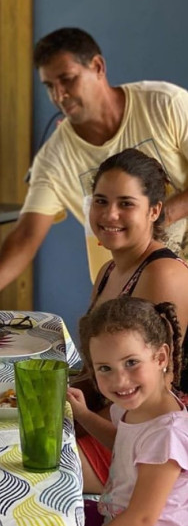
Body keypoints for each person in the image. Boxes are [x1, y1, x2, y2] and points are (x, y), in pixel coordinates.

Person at [0, 27, 188, 310]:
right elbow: (27, 234)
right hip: (128, 299)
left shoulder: (166, 104)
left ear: (98, 67)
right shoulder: (53, 158)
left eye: (67, 80)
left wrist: (162, 218)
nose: (59, 95)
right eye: (50, 86)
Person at [74, 148, 188, 495]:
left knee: (36, 458)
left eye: (126, 203)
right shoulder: (109, 270)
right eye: (101, 200)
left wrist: (77, 417)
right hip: (121, 411)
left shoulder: (162, 273)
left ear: (154, 210)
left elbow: (143, 388)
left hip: (155, 436)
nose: (110, 214)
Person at [68, 297, 188, 526]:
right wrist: (84, 414)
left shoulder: (166, 435)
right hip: (116, 514)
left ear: (161, 357)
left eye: (131, 362)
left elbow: (142, 519)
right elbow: (125, 445)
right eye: (105, 368)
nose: (120, 381)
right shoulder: (138, 407)